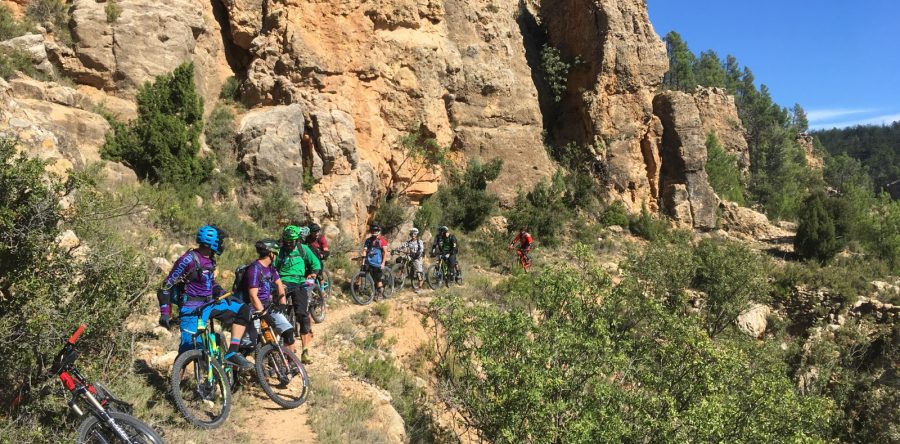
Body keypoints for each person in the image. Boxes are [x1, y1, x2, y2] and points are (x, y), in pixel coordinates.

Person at [157, 225, 253, 369]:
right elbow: (166, 286)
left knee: (243, 309)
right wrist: (165, 312)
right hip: (192, 308)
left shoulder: (210, 259)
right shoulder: (188, 259)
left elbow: (210, 283)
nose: (221, 245)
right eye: (220, 241)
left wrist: (221, 293)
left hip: (210, 304)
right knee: (187, 350)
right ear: (212, 242)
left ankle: (232, 353)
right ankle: (175, 386)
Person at [276, 225, 321, 364]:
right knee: (276, 312)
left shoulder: (303, 249)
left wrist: (313, 274)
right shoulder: (279, 251)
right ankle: (279, 347)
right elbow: (273, 267)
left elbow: (316, 264)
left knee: (302, 315)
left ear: (297, 240)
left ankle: (305, 350)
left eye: (291, 242)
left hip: (300, 282)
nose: (289, 244)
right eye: (287, 241)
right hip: (283, 282)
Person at [244, 240, 296, 352]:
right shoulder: (255, 269)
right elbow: (253, 296)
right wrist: (263, 314)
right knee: (249, 345)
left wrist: (283, 303)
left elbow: (279, 284)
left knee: (289, 332)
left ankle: (290, 363)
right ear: (271, 253)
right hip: (254, 309)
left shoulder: (271, 268)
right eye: (276, 253)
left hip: (268, 306)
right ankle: (239, 369)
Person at [361, 223, 389, 300]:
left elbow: (385, 252)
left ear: (379, 231)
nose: (374, 232)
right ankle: (375, 291)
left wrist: (383, 263)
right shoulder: (368, 240)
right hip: (369, 262)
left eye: (376, 230)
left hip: (378, 263)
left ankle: (380, 294)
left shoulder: (382, 241)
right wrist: (363, 263)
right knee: (373, 279)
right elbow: (364, 251)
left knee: (378, 279)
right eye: (373, 230)